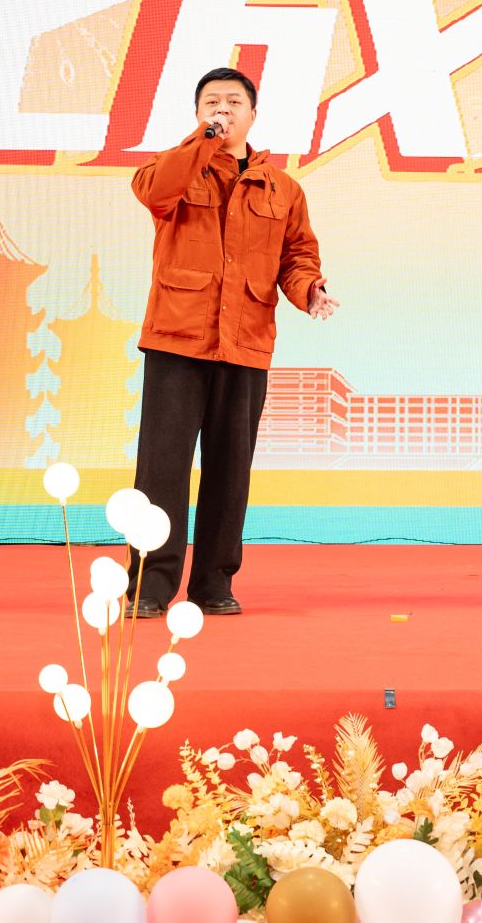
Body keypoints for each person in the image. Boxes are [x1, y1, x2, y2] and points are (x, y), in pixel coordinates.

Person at [128, 67, 336, 617]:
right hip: (177, 340)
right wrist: (203, 141)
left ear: (253, 114)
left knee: (229, 469)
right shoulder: (174, 168)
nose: (223, 109)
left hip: (246, 342)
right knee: (161, 470)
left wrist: (308, 289)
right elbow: (154, 192)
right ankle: (149, 586)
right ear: (198, 113)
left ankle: (214, 583)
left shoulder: (283, 188)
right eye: (212, 103)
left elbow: (297, 255)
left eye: (234, 102)